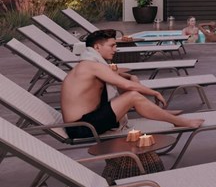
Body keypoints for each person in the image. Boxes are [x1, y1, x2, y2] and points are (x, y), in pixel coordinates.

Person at [60, 29, 203, 139]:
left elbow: (118, 77)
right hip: (81, 127)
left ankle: (161, 113)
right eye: (112, 46)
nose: (115, 49)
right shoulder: (91, 66)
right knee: (132, 95)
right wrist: (154, 92)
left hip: (87, 121)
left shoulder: (89, 63)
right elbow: (127, 86)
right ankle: (178, 121)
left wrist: (131, 76)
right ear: (97, 47)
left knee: (131, 88)